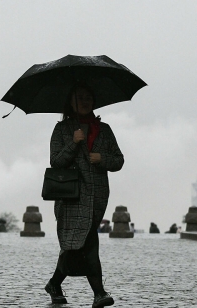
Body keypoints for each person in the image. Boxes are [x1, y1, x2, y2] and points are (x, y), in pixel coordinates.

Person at [44, 84, 123, 308]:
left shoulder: (104, 130)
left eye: (88, 97)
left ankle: (54, 284)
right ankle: (99, 293)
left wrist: (102, 159)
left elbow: (118, 160)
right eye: (80, 98)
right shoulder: (62, 130)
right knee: (88, 243)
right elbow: (56, 161)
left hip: (97, 196)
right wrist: (74, 142)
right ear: (71, 102)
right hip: (70, 196)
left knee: (74, 245)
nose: (85, 101)